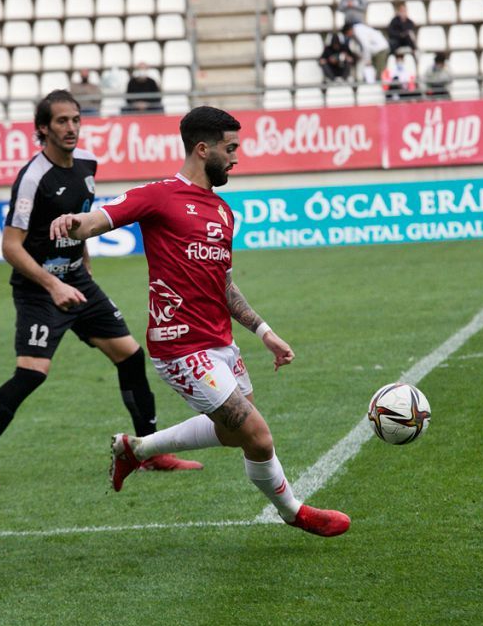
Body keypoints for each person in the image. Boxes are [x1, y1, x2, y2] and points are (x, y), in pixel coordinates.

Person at [48, 106, 351, 538]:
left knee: (235, 436)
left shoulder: (224, 213)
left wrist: (264, 332)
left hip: (220, 344)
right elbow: (99, 218)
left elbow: (223, 285)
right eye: (230, 148)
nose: (236, 158)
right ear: (202, 148)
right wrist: (74, 224)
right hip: (180, 347)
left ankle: (135, 450)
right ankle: (294, 512)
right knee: (258, 437)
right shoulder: (160, 195)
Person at [0, 90, 200, 488]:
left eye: (76, 119)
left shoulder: (87, 164)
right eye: (62, 121)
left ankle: (150, 452)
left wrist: (82, 255)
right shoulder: (32, 178)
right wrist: (52, 284)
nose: (71, 128)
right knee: (32, 374)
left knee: (131, 357)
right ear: (43, 129)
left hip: (77, 281)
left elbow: (77, 217)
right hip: (39, 289)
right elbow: (10, 245)